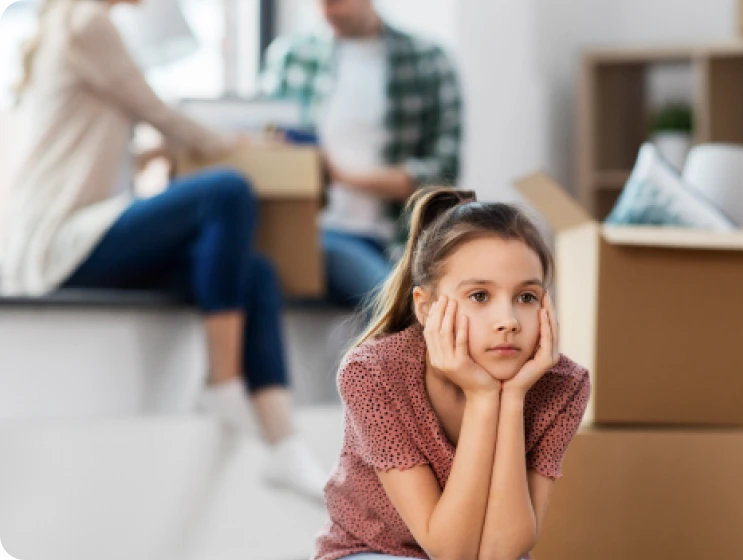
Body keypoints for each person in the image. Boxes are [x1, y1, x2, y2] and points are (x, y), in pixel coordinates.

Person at [0, 0, 327, 500]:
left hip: (80, 236)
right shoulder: (87, 21)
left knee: (256, 270)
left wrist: (150, 153)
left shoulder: (72, 25)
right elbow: (157, 110)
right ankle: (222, 384)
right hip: (60, 242)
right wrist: (237, 143)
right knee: (228, 190)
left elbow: (89, 135)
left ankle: (284, 445)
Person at [313, 188, 592, 560]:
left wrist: (510, 400)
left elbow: (503, 553)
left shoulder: (562, 386)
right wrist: (480, 397)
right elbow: (451, 552)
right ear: (426, 309)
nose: (507, 322)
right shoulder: (374, 374)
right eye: (480, 296)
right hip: (373, 552)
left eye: (526, 297)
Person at [262, 0, 463, 308]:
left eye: (336, 2)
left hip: (395, 238)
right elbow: (264, 147)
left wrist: (339, 175)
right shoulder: (292, 58)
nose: (327, 11)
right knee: (391, 303)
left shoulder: (428, 62)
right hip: (316, 234)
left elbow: (443, 173)